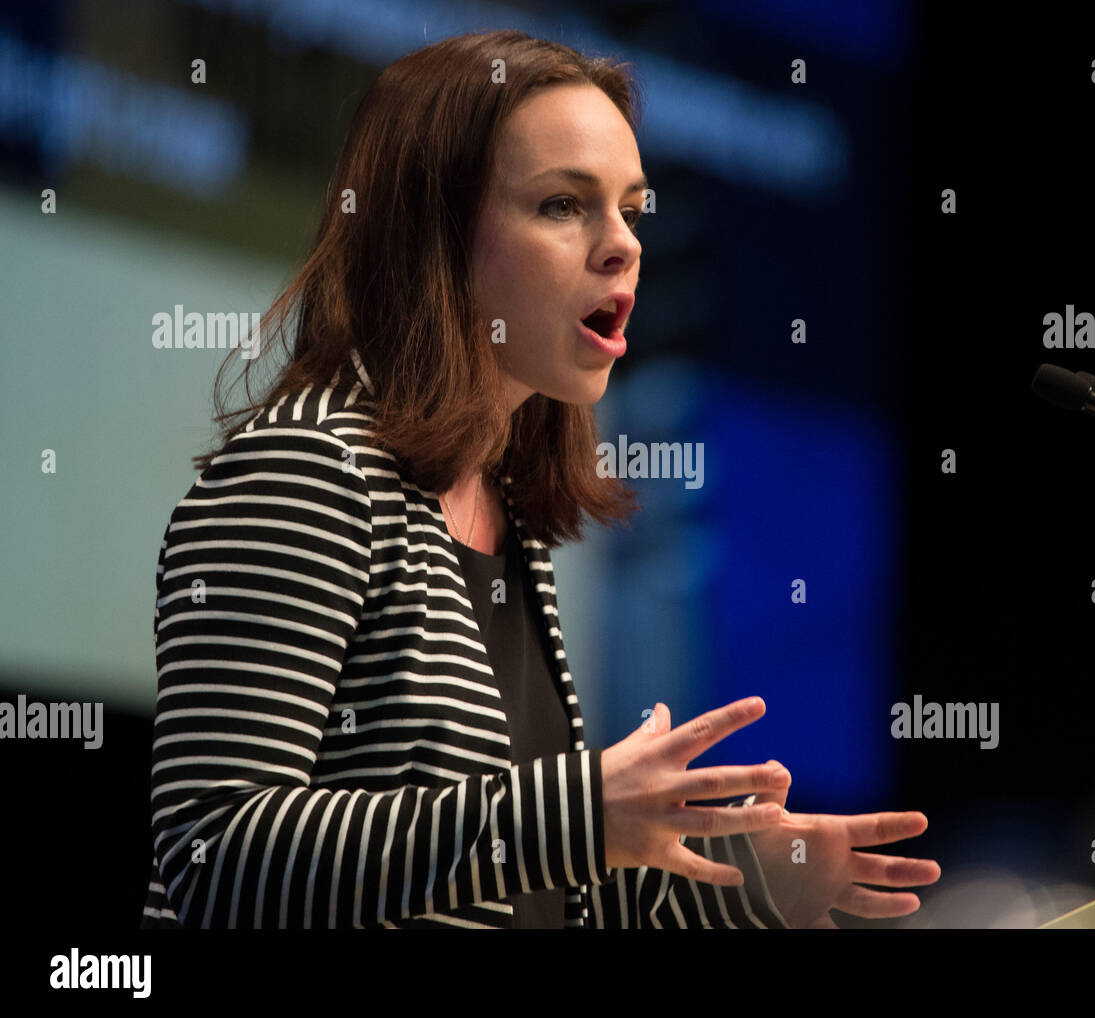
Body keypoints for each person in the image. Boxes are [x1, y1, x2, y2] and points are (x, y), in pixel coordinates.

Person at [140, 28, 939, 929]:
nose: (623, 247)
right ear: (433, 234)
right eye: (565, 205)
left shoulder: (502, 507)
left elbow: (514, 887)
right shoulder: (305, 473)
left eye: (633, 211)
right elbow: (218, 855)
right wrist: (577, 815)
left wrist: (745, 884)